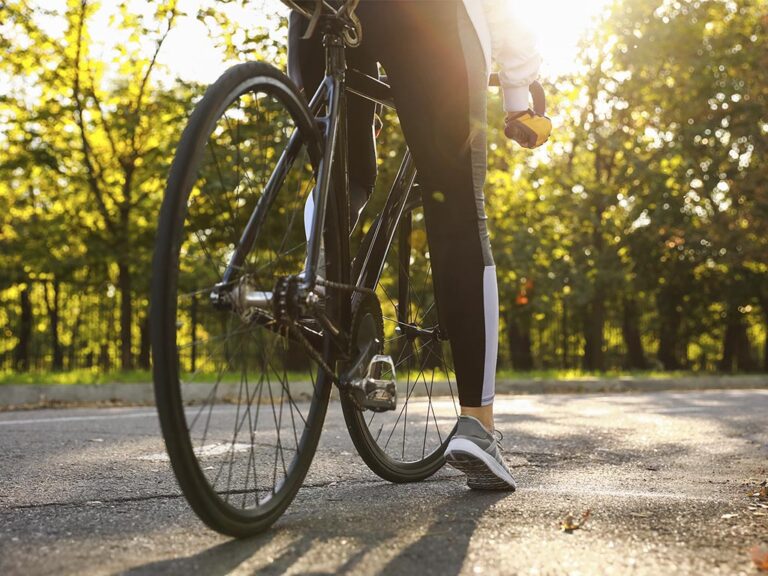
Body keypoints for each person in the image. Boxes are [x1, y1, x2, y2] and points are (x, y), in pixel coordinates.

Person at [289, 0, 551, 491]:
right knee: (455, 206)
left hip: (318, 11)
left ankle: (323, 286)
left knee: (345, 176)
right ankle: (478, 426)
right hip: (431, 18)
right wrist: (518, 91)